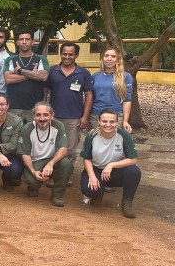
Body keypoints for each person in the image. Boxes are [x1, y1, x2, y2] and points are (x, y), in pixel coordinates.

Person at [46, 42, 93, 184]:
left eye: (70, 54)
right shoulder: (52, 71)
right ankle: (52, 174)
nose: (67, 57)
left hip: (74, 117)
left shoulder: (83, 73)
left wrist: (85, 116)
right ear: (61, 54)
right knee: (53, 147)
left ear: (76, 55)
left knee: (71, 149)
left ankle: (66, 176)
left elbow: (89, 95)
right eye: (64, 54)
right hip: (54, 117)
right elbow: (45, 93)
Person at [80, 109, 141, 218]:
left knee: (134, 171)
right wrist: (92, 176)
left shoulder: (123, 135)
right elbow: (86, 158)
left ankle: (127, 202)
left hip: (115, 171)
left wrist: (111, 165)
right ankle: (98, 193)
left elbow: (133, 159)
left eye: (112, 122)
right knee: (89, 190)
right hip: (96, 169)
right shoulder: (92, 135)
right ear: (99, 121)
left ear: (117, 123)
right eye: (104, 121)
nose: (108, 125)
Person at [17, 102, 72, 207]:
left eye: (46, 115)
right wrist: (33, 171)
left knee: (66, 164)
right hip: (35, 161)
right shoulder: (27, 128)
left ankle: (57, 195)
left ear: (52, 115)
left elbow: (63, 148)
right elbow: (25, 154)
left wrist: (51, 163)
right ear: (34, 116)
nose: (42, 118)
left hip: (52, 160)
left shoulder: (58, 126)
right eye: (38, 115)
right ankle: (33, 187)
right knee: (33, 180)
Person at [3, 29, 49, 122]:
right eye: (21, 39)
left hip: (35, 107)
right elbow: (8, 79)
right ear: (17, 42)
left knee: (34, 134)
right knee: (14, 135)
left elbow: (43, 77)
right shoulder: (10, 59)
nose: (24, 42)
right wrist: (33, 74)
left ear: (32, 42)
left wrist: (21, 71)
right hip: (14, 107)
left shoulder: (41, 59)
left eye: (27, 39)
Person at [90, 46, 133, 132]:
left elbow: (127, 100)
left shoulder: (126, 76)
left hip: (115, 116)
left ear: (118, 59)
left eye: (113, 56)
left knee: (113, 143)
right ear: (102, 58)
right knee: (96, 142)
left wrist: (125, 120)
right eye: (106, 56)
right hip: (96, 115)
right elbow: (90, 98)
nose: (109, 59)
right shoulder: (95, 76)